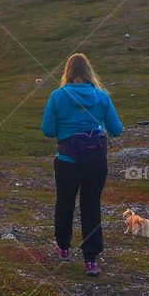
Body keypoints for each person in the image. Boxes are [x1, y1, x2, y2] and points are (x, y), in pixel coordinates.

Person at [40, 53, 123, 276]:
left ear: (68, 72)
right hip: (96, 162)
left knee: (64, 203)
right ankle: (90, 260)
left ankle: (63, 248)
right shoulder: (102, 97)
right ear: (89, 72)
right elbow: (116, 130)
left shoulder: (57, 96)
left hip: (68, 161)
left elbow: (47, 130)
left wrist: (67, 130)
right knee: (91, 206)